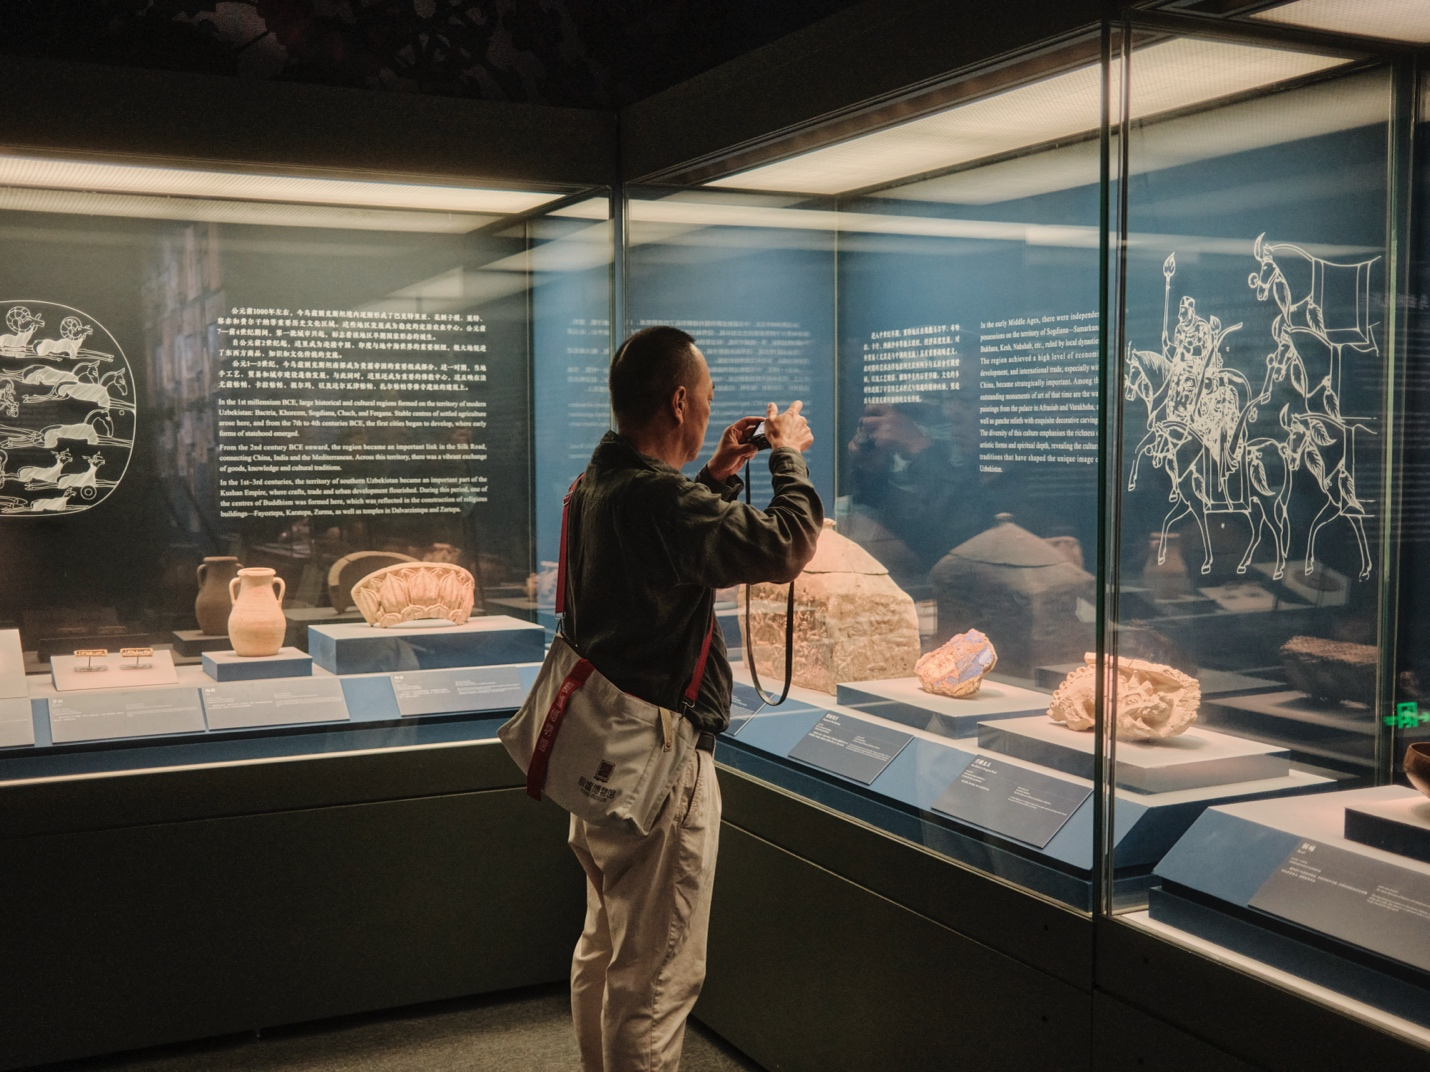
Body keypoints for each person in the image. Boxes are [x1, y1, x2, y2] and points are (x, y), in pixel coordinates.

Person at [562, 325, 822, 1072]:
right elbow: (786, 545)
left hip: (601, 754)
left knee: (605, 952)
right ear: (679, 401)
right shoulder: (660, 502)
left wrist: (717, 470)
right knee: (656, 984)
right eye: (705, 400)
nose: (709, 411)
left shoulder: (600, 483)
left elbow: (664, 550)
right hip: (660, 770)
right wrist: (787, 454)